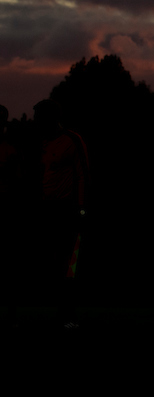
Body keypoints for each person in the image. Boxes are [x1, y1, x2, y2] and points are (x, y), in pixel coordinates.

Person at [34, 100, 89, 329]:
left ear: (51, 118)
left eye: (39, 118)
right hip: (48, 209)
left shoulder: (72, 140)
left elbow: (83, 175)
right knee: (55, 263)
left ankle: (68, 314)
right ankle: (61, 313)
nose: (36, 122)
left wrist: (81, 208)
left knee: (70, 264)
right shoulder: (42, 143)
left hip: (67, 209)